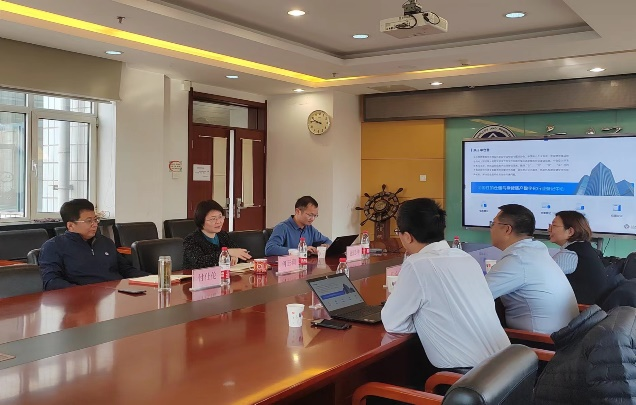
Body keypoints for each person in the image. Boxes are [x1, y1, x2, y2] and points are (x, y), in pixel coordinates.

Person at [381, 198, 510, 369]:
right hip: (507, 368)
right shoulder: (465, 258)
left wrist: (424, 321)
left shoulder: (417, 265)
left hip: (468, 378)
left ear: (407, 237)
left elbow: (392, 323)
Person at [486, 204, 579, 334]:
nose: (490, 228)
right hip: (563, 336)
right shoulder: (533, 252)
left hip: (538, 342)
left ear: (507, 229)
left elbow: (476, 295)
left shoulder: (518, 259)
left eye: (493, 224)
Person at [40, 199, 149, 290]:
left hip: (115, 295)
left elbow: (126, 269)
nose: (95, 224)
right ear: (70, 226)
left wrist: (150, 279)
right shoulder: (54, 246)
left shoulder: (106, 242)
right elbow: (51, 281)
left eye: (95, 220)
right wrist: (83, 292)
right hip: (82, 300)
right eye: (89, 221)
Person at [549, 210, 609, 304]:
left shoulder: (571, 254)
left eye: (554, 226)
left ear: (570, 231)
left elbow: (542, 277)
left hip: (581, 309)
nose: (549, 229)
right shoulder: (584, 248)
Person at [183, 200, 251, 269]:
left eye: (220, 217)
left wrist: (235, 257)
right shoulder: (191, 240)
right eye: (213, 219)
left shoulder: (222, 235)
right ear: (201, 221)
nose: (218, 222)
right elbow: (199, 262)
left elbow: (237, 252)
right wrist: (227, 253)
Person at [264, 196, 332, 257]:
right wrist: (300, 251)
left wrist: (325, 246)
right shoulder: (282, 227)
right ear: (297, 211)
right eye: (310, 215)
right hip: (287, 266)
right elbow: (270, 249)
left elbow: (327, 241)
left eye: (315, 216)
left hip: (306, 265)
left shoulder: (309, 228)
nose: (312, 219)